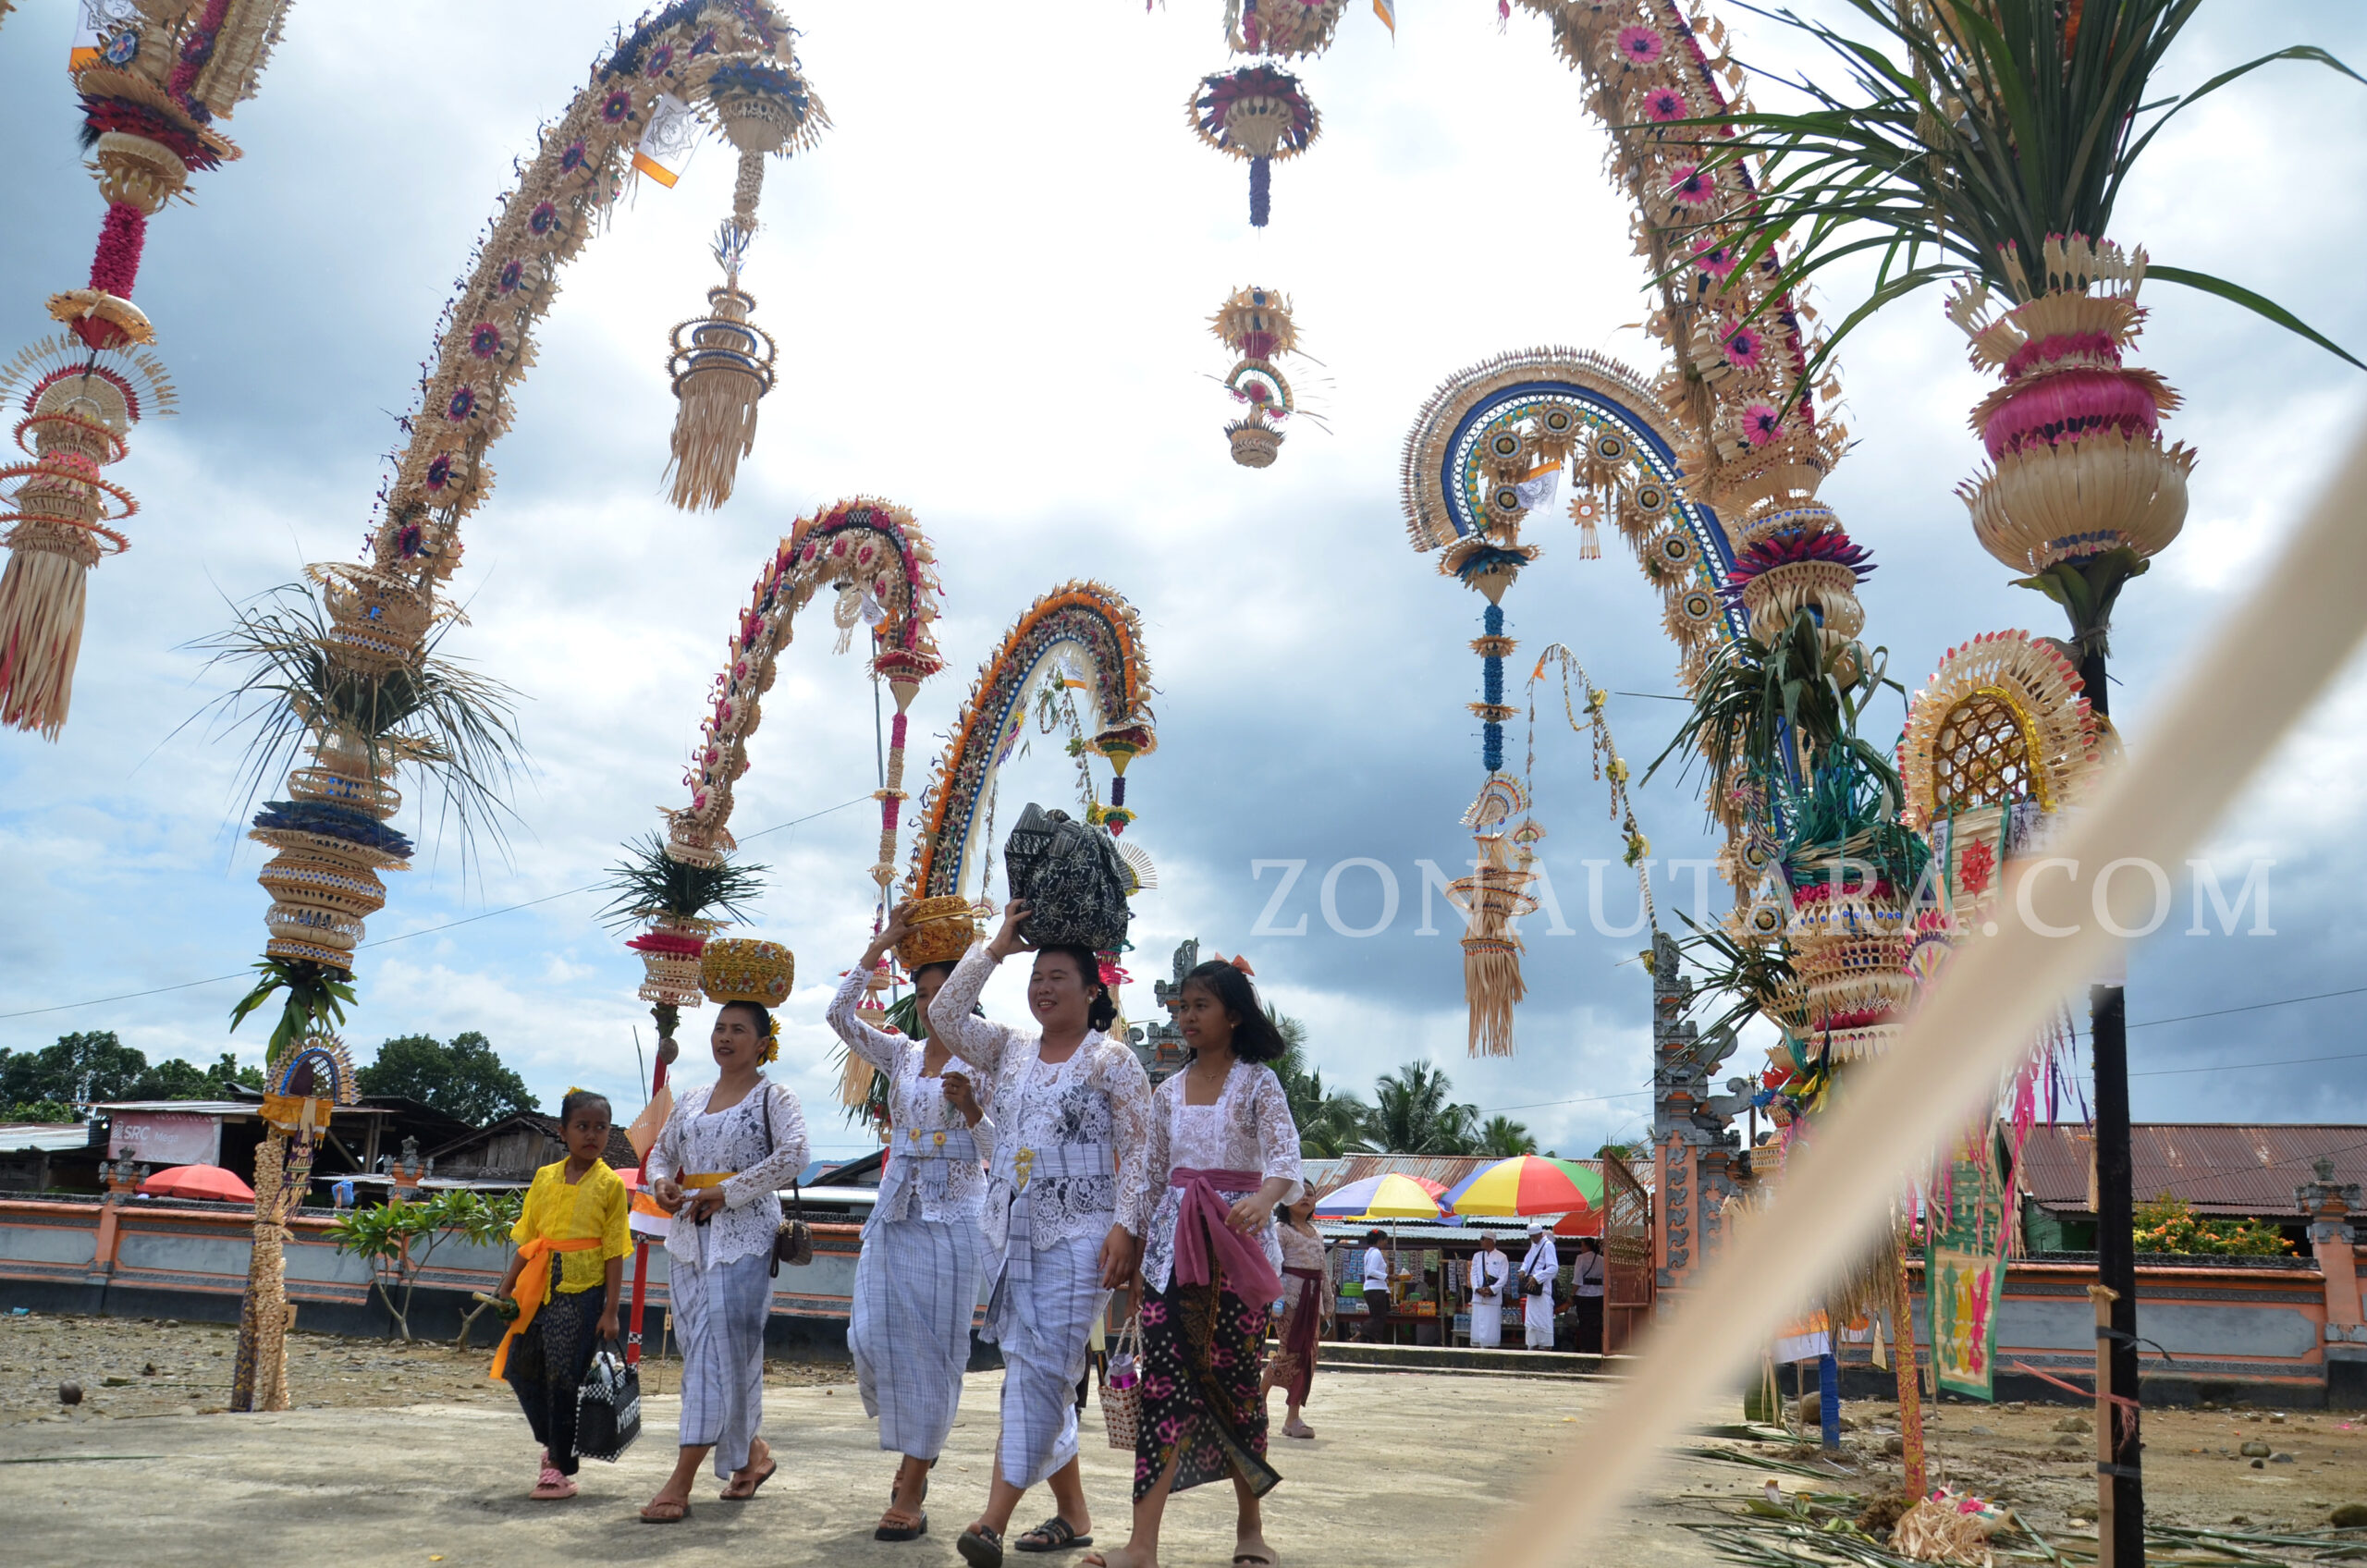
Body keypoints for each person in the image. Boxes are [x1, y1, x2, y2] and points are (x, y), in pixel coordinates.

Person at [932, 900, 1153, 1568]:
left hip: (1084, 1236)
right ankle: (1074, 1512)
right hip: (1010, 1235)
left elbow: (1142, 1152)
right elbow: (943, 1015)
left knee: (1036, 1376)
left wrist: (1126, 1229)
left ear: (1094, 992)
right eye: (1037, 976)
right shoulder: (1010, 1050)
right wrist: (998, 945)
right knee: (1039, 1371)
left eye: (1059, 977)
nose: (1044, 987)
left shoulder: (1113, 1062)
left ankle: (992, 1521)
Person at [1085, 958, 1301, 1568]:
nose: (1185, 1018)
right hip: (1170, 1255)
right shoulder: (1166, 1093)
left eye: (1199, 1006)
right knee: (1163, 1391)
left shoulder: (1259, 1083)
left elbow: (1286, 1156)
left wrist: (1263, 1198)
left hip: (1238, 1255)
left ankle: (1249, 1530)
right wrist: (1126, 1237)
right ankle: (1141, 1546)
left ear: (1233, 1016)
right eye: (1181, 1008)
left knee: (1237, 1392)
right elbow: (1147, 1176)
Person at [832, 905, 995, 1542]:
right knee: (869, 1339)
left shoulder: (991, 1058)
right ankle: (913, 1452)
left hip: (956, 1215)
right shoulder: (898, 1054)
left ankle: (912, 1480)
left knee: (937, 1353)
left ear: (967, 996)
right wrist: (880, 945)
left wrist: (973, 1108)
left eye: (943, 993)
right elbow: (839, 1018)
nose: (930, 1005)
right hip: (896, 1209)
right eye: (923, 994)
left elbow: (1003, 1146)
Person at [638, 998, 810, 1522]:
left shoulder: (774, 1096)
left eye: (738, 1029)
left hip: (745, 1237)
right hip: (690, 1236)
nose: (724, 1037)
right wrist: (662, 1183)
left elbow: (796, 1153)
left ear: (762, 1044)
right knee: (707, 1351)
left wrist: (730, 1191)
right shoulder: (690, 1098)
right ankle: (752, 1455)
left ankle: (680, 1479)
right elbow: (662, 1153)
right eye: (719, 1028)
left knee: (718, 1354)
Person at [491, 1087, 630, 1500]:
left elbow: (615, 1250)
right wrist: (506, 1284)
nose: (592, 1135)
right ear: (562, 1131)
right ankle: (552, 1443)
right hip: (537, 1284)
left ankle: (558, 1467)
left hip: (583, 1290)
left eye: (600, 1128)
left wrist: (611, 1311)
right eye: (582, 1126)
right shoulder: (545, 1177)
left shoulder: (610, 1185)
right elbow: (529, 1238)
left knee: (564, 1378)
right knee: (521, 1366)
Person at [1262, 1201, 1331, 1439]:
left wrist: (1328, 1301)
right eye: (1300, 1193)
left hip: (1312, 1299)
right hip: (1289, 1298)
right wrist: (1274, 1299)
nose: (1306, 1197)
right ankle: (1260, 1396)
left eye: (1311, 1194)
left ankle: (1292, 1418)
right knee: (1289, 1352)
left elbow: (1323, 1270)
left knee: (1307, 1356)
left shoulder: (1318, 1234)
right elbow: (1272, 1265)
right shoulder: (1280, 1229)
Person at [1517, 1224, 1560, 1351]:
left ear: (1541, 1234)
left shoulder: (1548, 1245)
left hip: (1543, 1292)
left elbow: (1553, 1268)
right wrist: (1523, 1270)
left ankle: (1546, 1351)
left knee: (1544, 1324)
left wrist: (1537, 1277)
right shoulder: (1534, 1245)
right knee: (1531, 1325)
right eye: (1531, 1237)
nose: (1533, 1239)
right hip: (1532, 1293)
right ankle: (1532, 1350)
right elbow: (1527, 1260)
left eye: (1535, 1237)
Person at [1466, 1231, 1509, 1350]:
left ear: (1491, 1240)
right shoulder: (1477, 1256)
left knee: (1491, 1326)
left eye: (1483, 1238)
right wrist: (1477, 1289)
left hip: (1493, 1299)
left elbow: (1503, 1277)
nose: (1481, 1241)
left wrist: (1491, 1289)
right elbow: (1473, 1274)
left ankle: (1491, 1349)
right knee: (1478, 1326)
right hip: (1479, 1298)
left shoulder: (1502, 1257)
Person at [1573, 1235, 1607, 1354]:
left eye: (1582, 1245)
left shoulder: (1580, 1258)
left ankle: (1584, 1348)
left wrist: (1572, 1294)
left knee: (1584, 1323)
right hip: (1598, 1295)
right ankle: (1596, 1348)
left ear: (1587, 1246)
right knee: (1596, 1323)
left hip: (1583, 1295)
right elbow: (1605, 1280)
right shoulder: (1602, 1259)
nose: (1581, 1248)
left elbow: (1577, 1279)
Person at [1359, 1229, 1392, 1341]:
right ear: (1380, 1240)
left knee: (1377, 1316)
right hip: (1376, 1289)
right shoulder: (1376, 1253)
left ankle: (1368, 1339)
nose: (1386, 1243)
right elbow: (1371, 1271)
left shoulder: (1369, 1252)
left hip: (1372, 1288)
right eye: (1385, 1240)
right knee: (1378, 1317)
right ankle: (1357, 1335)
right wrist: (1388, 1276)